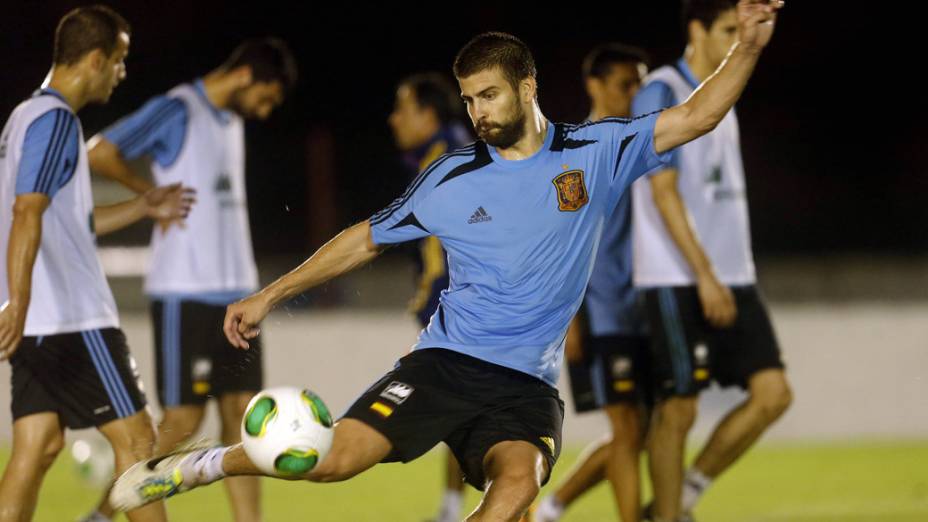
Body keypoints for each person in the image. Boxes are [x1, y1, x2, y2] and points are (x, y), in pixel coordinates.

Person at [110, 4, 785, 520]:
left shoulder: (596, 151)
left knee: (516, 486)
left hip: (525, 390)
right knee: (329, 460)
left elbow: (695, 116)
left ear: (527, 87)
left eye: (488, 94)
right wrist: (268, 295)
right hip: (442, 368)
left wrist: (749, 47)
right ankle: (204, 465)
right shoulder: (450, 178)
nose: (476, 112)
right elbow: (365, 238)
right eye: (467, 99)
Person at [81, 38, 298, 522]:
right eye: (266, 97)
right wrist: (148, 194)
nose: (264, 111)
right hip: (185, 290)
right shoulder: (179, 109)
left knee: (241, 420)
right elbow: (99, 152)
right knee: (181, 420)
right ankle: (102, 513)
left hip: (237, 292)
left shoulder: (232, 120)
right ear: (246, 76)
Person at [0, 6, 193, 522]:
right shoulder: (58, 121)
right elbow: (26, 211)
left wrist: (142, 206)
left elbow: (69, 222)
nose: (122, 73)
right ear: (94, 59)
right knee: (139, 443)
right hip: (74, 319)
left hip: (41, 322)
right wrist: (16, 300)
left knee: (37, 446)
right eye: (120, 60)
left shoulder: (23, 119)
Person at [631, 2, 792, 521]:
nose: (735, 40)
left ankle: (682, 500)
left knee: (773, 394)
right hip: (676, 278)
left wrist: (724, 274)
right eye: (727, 29)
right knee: (678, 408)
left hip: (732, 276)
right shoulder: (662, 90)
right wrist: (704, 275)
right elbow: (663, 193)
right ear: (696, 30)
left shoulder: (726, 93)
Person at [534, 42, 652, 522]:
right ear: (595, 86)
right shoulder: (576, 152)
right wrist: (573, 319)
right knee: (626, 429)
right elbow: (561, 242)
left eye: (641, 83)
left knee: (638, 431)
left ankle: (552, 509)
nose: (636, 93)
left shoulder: (640, 144)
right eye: (627, 83)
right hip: (598, 310)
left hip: (638, 309)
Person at [387, 71, 472, 522]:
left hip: (455, 314)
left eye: (403, 108)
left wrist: (439, 313)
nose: (393, 118)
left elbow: (458, 246)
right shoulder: (439, 155)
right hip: (451, 312)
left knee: (470, 411)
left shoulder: (447, 159)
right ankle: (452, 510)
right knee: (464, 413)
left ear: (428, 113)